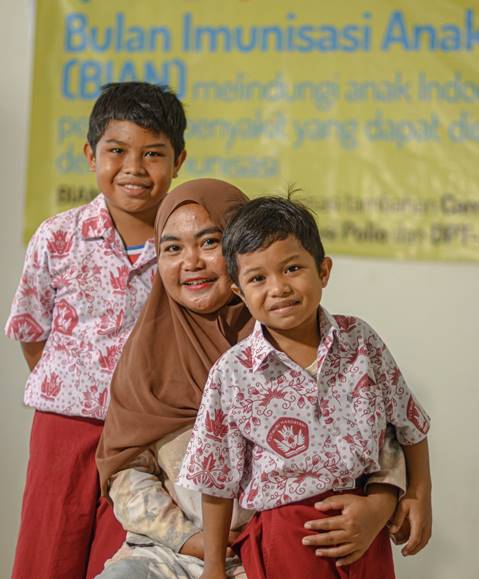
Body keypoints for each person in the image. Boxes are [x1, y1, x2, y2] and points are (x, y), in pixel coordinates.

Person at [96, 182, 408, 579]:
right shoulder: (146, 355)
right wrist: (191, 540)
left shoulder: (309, 338)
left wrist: (383, 500)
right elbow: (126, 471)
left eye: (209, 242)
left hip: (278, 544)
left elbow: (376, 430)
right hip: (169, 551)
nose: (191, 262)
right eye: (172, 248)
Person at [178, 196, 432, 579]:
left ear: (323, 271)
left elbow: (410, 423)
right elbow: (217, 480)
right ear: (239, 292)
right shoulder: (231, 374)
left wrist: (419, 494)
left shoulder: (360, 342)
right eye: (258, 278)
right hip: (288, 538)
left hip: (364, 528)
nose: (278, 288)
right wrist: (214, 566)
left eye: (292, 268)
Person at [5, 81, 187, 579]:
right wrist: (77, 387)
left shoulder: (187, 248)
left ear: (179, 160)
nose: (134, 168)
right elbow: (32, 328)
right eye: (117, 151)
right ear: (91, 155)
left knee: (123, 553)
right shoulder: (56, 237)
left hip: (144, 438)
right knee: (48, 550)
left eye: (153, 154)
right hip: (63, 429)